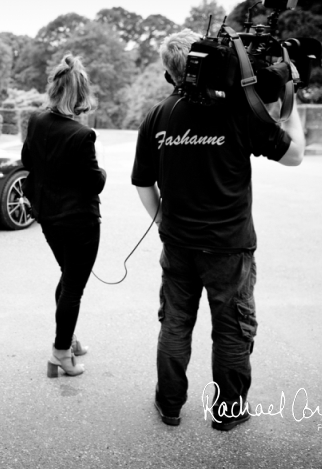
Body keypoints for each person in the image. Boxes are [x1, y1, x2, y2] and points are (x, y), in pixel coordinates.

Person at [131, 29, 306, 430]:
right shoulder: (239, 109)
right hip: (230, 248)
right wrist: (290, 102)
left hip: (177, 246)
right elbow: (294, 155)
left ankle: (170, 406)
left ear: (169, 73)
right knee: (230, 330)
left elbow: (143, 183)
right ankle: (228, 414)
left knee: (175, 324)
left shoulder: (158, 116)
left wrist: (164, 222)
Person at [21, 54, 107, 378]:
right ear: (80, 95)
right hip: (79, 221)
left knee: (68, 277)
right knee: (73, 285)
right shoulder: (81, 135)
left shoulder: (36, 120)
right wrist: (104, 173)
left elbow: (28, 158)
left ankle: (67, 338)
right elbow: (94, 182)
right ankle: (60, 354)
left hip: (47, 216)